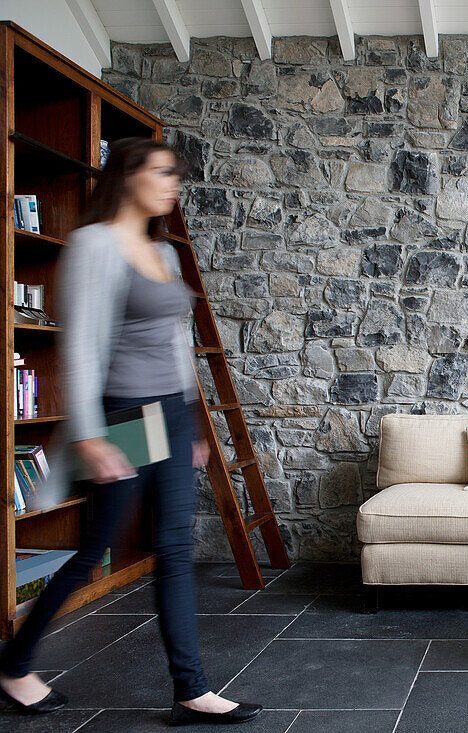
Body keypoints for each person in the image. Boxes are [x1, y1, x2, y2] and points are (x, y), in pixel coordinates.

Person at [0, 138, 261, 726]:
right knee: (97, 545)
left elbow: (175, 345)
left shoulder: (162, 254)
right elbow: (82, 349)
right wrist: (91, 436)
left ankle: (191, 690)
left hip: (165, 412)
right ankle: (15, 664)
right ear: (128, 176)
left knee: (173, 547)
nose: (174, 185)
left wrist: (190, 421)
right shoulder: (94, 246)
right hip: (123, 415)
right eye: (163, 173)